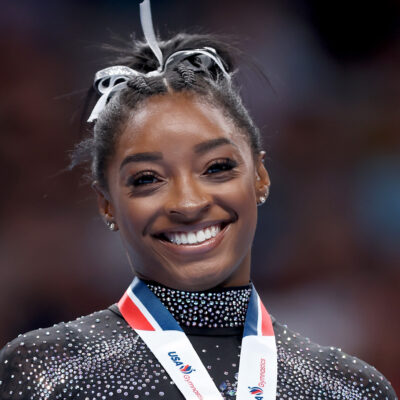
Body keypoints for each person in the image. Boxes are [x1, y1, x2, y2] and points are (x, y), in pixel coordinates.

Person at [0, 1, 397, 399]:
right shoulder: (47, 374)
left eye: (216, 167)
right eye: (147, 178)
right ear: (106, 203)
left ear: (259, 177)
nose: (188, 203)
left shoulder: (347, 387)